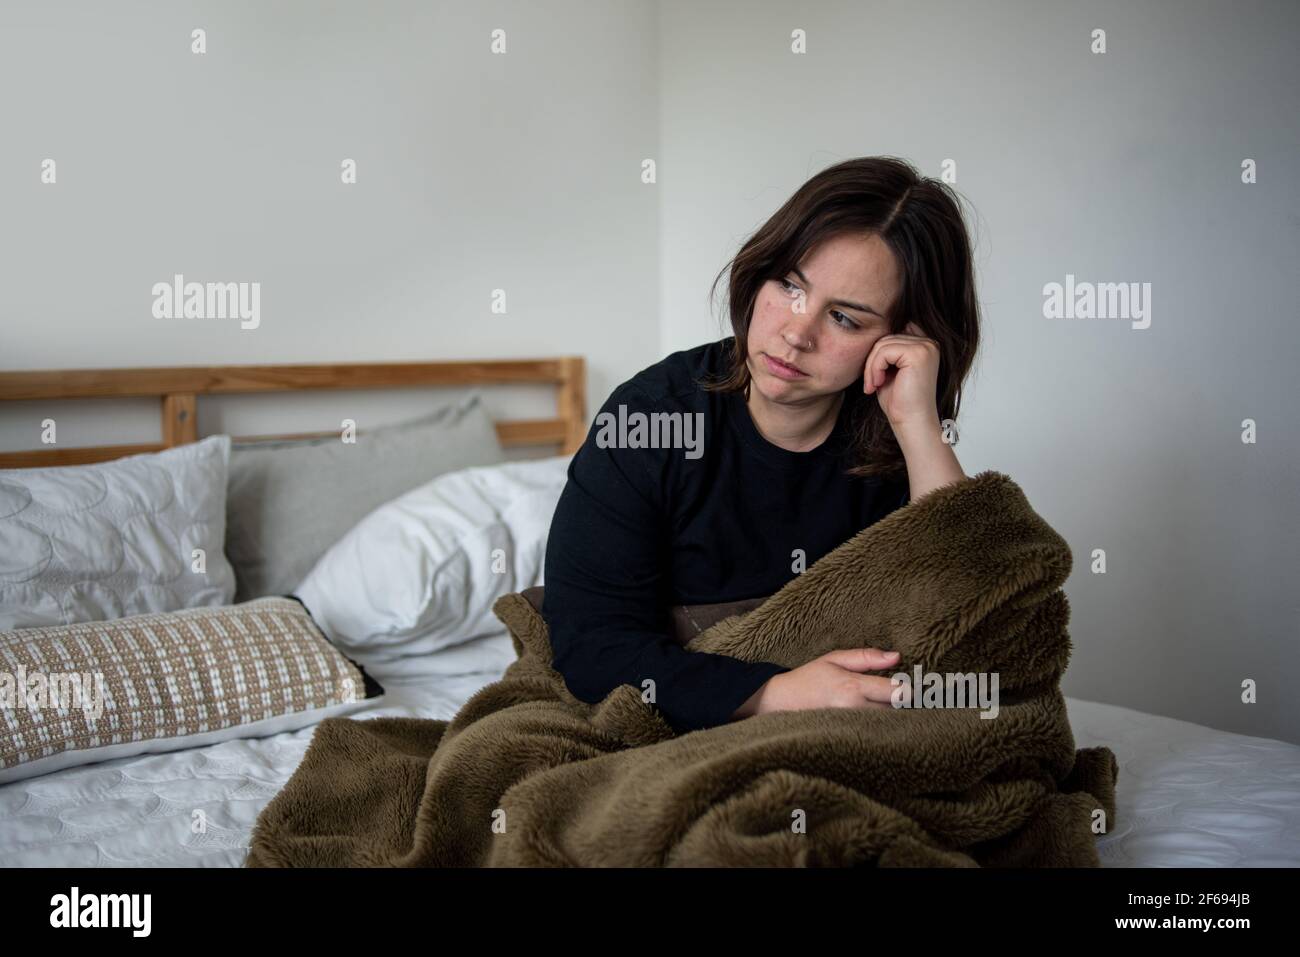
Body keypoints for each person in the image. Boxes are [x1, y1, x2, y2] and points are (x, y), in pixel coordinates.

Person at [542, 156, 981, 735]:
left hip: (845, 710)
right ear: (760, 273)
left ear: (905, 339)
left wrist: (918, 424)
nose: (796, 333)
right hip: (677, 701)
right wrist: (775, 694)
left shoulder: (893, 432)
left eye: (846, 319)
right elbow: (593, 647)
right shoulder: (648, 418)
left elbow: (969, 615)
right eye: (791, 286)